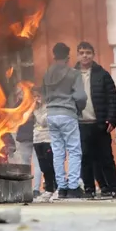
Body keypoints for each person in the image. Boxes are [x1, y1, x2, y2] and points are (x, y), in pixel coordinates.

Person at [75, 41, 116, 199]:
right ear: (77, 55)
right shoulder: (71, 76)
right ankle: (89, 189)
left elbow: (112, 98)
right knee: (85, 158)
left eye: (88, 52)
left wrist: (112, 120)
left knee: (106, 157)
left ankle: (115, 188)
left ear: (93, 55)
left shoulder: (103, 74)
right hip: (80, 125)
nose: (85, 55)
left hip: (100, 124)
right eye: (81, 52)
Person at [41, 42, 86, 199]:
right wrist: (78, 107)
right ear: (68, 56)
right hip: (67, 113)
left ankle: (61, 187)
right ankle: (73, 186)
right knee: (74, 150)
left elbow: (43, 95)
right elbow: (80, 96)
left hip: (51, 114)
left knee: (58, 152)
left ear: (54, 55)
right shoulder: (74, 73)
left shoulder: (47, 73)